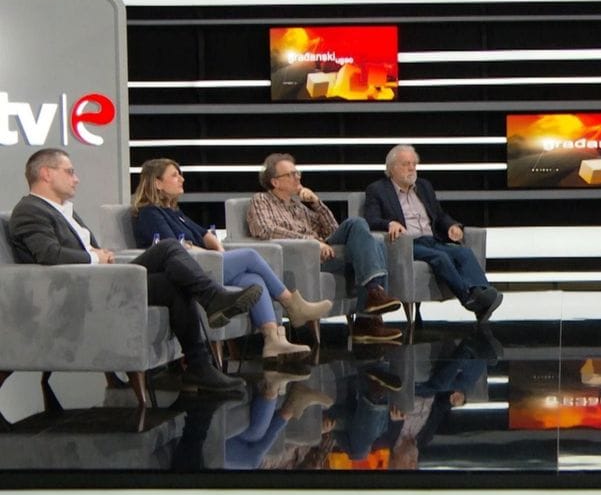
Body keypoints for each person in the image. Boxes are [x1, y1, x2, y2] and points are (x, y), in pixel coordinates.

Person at [9, 148, 254, 394]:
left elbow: (81, 249)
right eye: (70, 172)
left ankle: (199, 366)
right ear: (46, 173)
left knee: (175, 282)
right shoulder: (30, 210)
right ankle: (213, 298)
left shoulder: (63, 210)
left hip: (102, 280)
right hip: (81, 290)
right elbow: (49, 255)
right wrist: (95, 257)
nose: (77, 179)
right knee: (168, 247)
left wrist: (98, 253)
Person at [131, 158, 333, 360]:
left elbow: (204, 234)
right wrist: (212, 254)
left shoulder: (175, 213)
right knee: (250, 255)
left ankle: (273, 340)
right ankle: (292, 304)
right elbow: (175, 246)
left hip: (206, 261)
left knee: (254, 280)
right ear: (157, 183)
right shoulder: (150, 214)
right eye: (175, 175)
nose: (182, 179)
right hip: (187, 270)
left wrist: (218, 250)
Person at [247, 153, 403, 343]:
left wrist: (316, 203)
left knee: (371, 239)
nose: (298, 177)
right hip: (303, 259)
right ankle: (369, 313)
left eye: (298, 173)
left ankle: (369, 310)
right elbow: (265, 229)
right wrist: (312, 242)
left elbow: (332, 230)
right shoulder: (261, 200)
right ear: (275, 182)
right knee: (358, 225)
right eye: (291, 174)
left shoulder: (298, 206)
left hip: (325, 253)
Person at [363, 144, 502, 322]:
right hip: (407, 244)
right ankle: (467, 298)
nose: (412, 168)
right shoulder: (378, 190)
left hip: (432, 239)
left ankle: (481, 294)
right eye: (406, 164)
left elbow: (439, 215)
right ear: (392, 168)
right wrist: (390, 223)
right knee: (441, 258)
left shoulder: (423, 186)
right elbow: (370, 220)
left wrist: (451, 226)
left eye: (414, 164)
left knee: (463, 252)